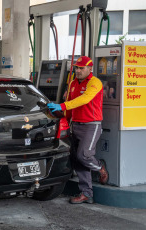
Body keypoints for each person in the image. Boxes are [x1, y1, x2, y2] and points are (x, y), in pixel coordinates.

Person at [47, 56, 108, 204]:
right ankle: (86, 193)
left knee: (84, 156)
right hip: (76, 125)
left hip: (91, 125)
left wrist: (61, 106)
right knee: (77, 160)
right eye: (77, 68)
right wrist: (65, 121)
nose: (78, 70)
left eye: (81, 68)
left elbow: (85, 99)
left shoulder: (95, 83)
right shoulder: (73, 83)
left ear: (90, 69)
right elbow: (71, 104)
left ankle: (100, 167)